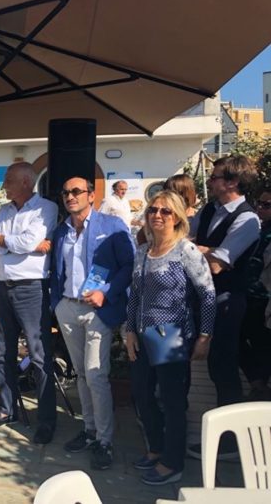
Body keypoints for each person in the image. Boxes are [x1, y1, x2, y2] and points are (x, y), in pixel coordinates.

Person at [125, 191, 215, 485]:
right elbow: (135, 295)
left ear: (177, 217)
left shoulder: (185, 251)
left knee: (172, 400)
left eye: (166, 211)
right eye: (153, 210)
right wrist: (129, 330)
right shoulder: (143, 251)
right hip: (142, 333)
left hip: (171, 334)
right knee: (141, 394)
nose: (158, 215)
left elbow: (207, 294)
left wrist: (205, 335)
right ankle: (155, 448)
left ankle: (172, 462)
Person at [50, 176, 134, 470]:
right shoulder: (61, 230)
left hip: (97, 309)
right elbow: (56, 270)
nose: (70, 196)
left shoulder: (111, 226)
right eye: (66, 192)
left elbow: (129, 265)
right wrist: (56, 303)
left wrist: (106, 292)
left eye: (76, 191)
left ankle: (105, 440)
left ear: (91, 195)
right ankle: (89, 429)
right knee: (82, 375)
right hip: (67, 307)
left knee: (96, 375)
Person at [0, 162, 58, 445]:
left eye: (9, 180)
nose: (4, 185)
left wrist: (7, 241)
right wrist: (22, 244)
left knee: (38, 354)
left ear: (26, 181)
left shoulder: (45, 208)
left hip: (32, 287)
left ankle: (46, 420)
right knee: (3, 351)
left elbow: (24, 242)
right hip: (4, 285)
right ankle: (7, 409)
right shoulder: (4, 210)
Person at [188, 155, 260, 458]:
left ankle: (230, 442)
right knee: (212, 366)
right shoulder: (210, 209)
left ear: (232, 182)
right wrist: (204, 249)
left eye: (215, 177)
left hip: (227, 301)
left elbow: (218, 264)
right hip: (202, 297)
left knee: (224, 367)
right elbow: (184, 239)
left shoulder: (248, 219)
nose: (210, 181)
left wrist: (198, 249)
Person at [239, 189, 271, 400]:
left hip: (264, 298)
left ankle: (260, 387)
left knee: (262, 344)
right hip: (248, 294)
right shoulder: (259, 228)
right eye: (259, 203)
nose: (260, 207)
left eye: (267, 205)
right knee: (240, 338)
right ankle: (257, 382)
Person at [137, 174, 198, 246]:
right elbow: (141, 236)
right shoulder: (158, 213)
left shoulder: (198, 217)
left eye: (171, 192)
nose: (166, 195)